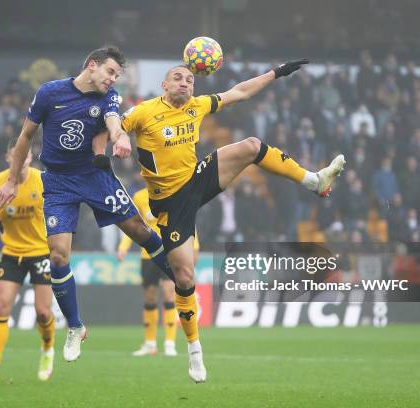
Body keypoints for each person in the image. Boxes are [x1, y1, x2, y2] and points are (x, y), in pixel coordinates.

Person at [121, 60, 346, 383]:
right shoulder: (143, 112)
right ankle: (194, 350)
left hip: (196, 179)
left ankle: (315, 180)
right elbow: (115, 124)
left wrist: (276, 72)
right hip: (170, 204)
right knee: (184, 278)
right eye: (178, 78)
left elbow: (239, 92)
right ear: (164, 86)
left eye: (189, 79)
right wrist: (118, 137)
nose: (186, 82)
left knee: (251, 146)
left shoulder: (197, 106)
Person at [0, 46, 175, 363]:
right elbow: (25, 137)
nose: (113, 79)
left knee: (141, 232)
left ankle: (180, 276)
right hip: (58, 182)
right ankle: (75, 326)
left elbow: (114, 119)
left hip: (94, 176)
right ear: (92, 66)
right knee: (58, 255)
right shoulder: (50, 93)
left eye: (117, 75)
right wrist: (9, 180)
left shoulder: (109, 97)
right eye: (110, 72)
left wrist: (119, 137)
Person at [0, 141, 55, 384]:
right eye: (16, 153)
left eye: (25, 153)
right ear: (9, 157)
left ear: (30, 157)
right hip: (11, 254)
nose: (22, 157)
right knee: (1, 306)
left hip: (41, 253)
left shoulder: (42, 180)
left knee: (42, 312)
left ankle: (48, 348)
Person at [117, 186, 200, 357]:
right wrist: (123, 246)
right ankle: (150, 344)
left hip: (170, 252)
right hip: (147, 255)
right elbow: (133, 224)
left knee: (169, 294)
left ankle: (170, 343)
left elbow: (186, 221)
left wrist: (195, 247)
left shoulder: (172, 190)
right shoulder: (139, 197)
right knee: (149, 297)